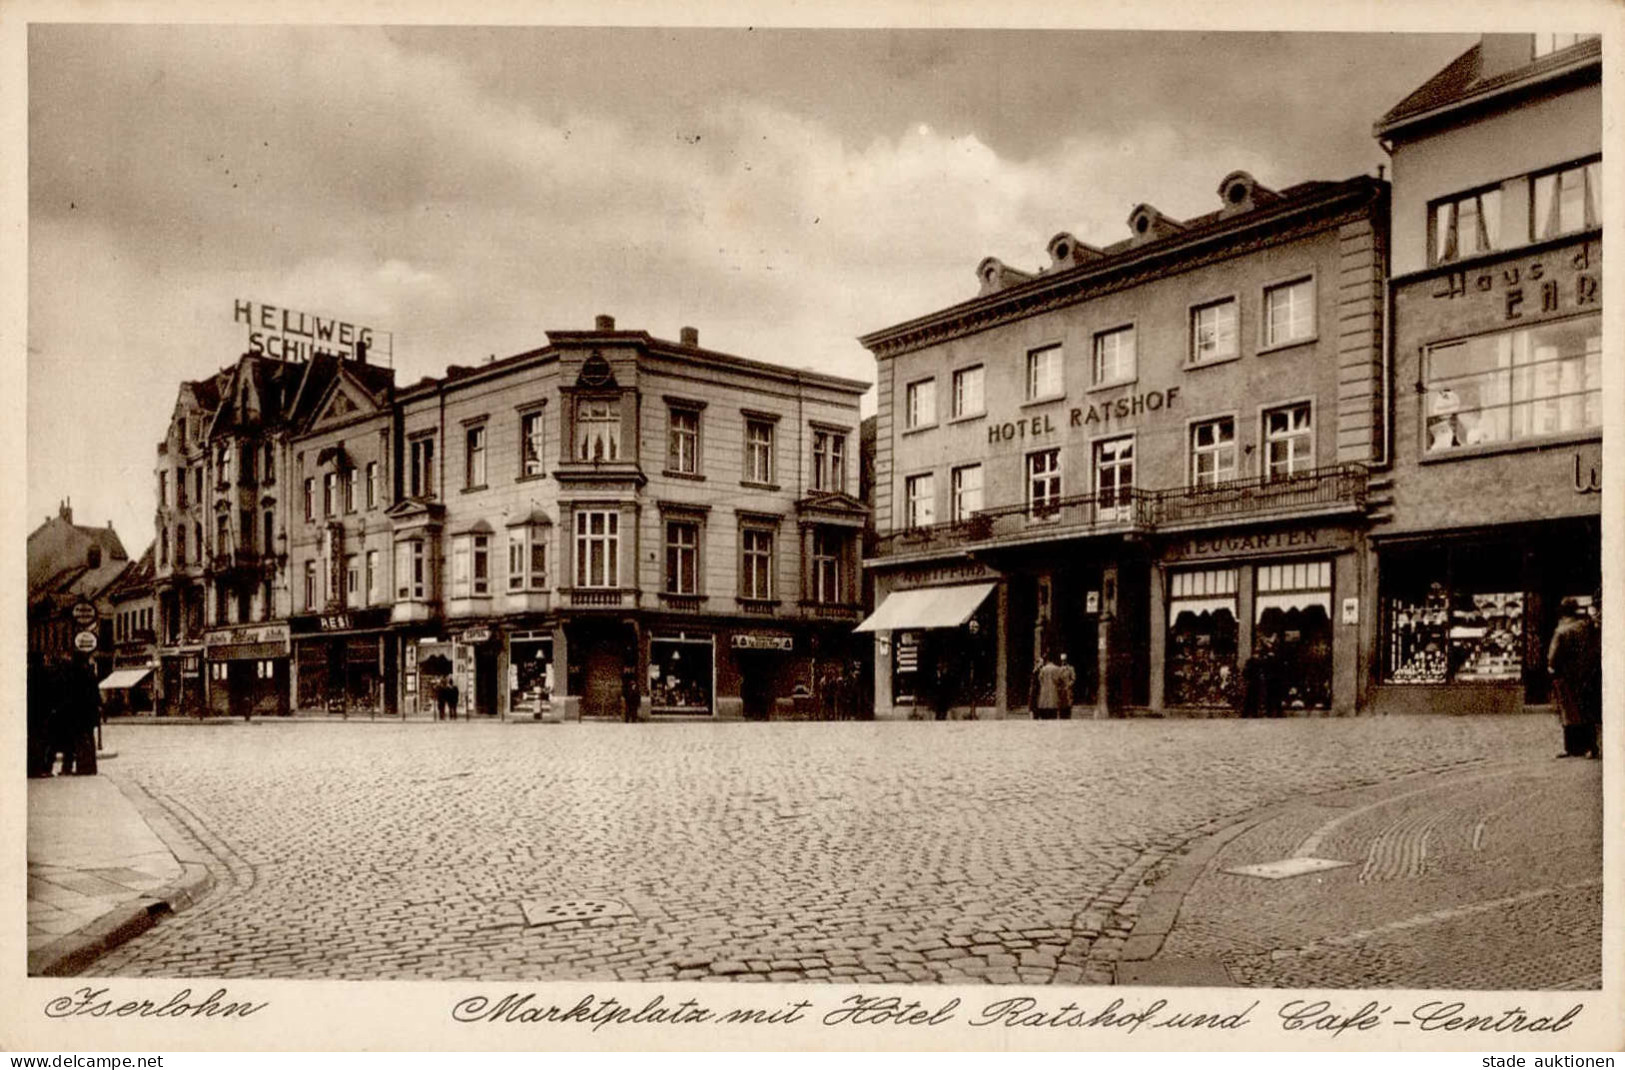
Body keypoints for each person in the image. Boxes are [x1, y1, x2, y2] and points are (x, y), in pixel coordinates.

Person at [1548, 598, 1596, 759]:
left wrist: (1552, 667)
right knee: (1585, 709)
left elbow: (1553, 657)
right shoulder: (1585, 626)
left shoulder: (1561, 630)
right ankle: (1590, 746)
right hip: (1585, 673)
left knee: (1568, 711)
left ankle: (1572, 747)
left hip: (1565, 675)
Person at [57, 654, 101, 776]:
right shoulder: (90, 673)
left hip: (76, 714)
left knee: (76, 741)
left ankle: (79, 767)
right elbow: (96, 695)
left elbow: (69, 694)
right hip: (88, 714)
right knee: (88, 741)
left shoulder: (74, 673)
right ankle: (89, 767)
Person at [27, 653, 57, 777]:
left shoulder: (28, 673)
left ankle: (32, 768)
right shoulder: (44, 674)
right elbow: (49, 694)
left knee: (33, 741)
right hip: (43, 714)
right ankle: (41, 768)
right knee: (42, 742)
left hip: (31, 714)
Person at [1033, 653, 1062, 720]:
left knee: (1045, 705)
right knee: (1053, 705)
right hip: (1053, 689)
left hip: (1044, 690)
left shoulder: (1043, 669)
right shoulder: (1057, 669)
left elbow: (1040, 679)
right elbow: (1058, 679)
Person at [1056, 653, 1077, 720]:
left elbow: (1073, 679)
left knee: (1068, 704)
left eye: (1064, 660)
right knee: (1061, 704)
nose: (1063, 662)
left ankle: (1068, 716)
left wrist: (1069, 685)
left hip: (1068, 689)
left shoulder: (1070, 669)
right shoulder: (1058, 669)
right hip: (1061, 690)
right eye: (1062, 660)